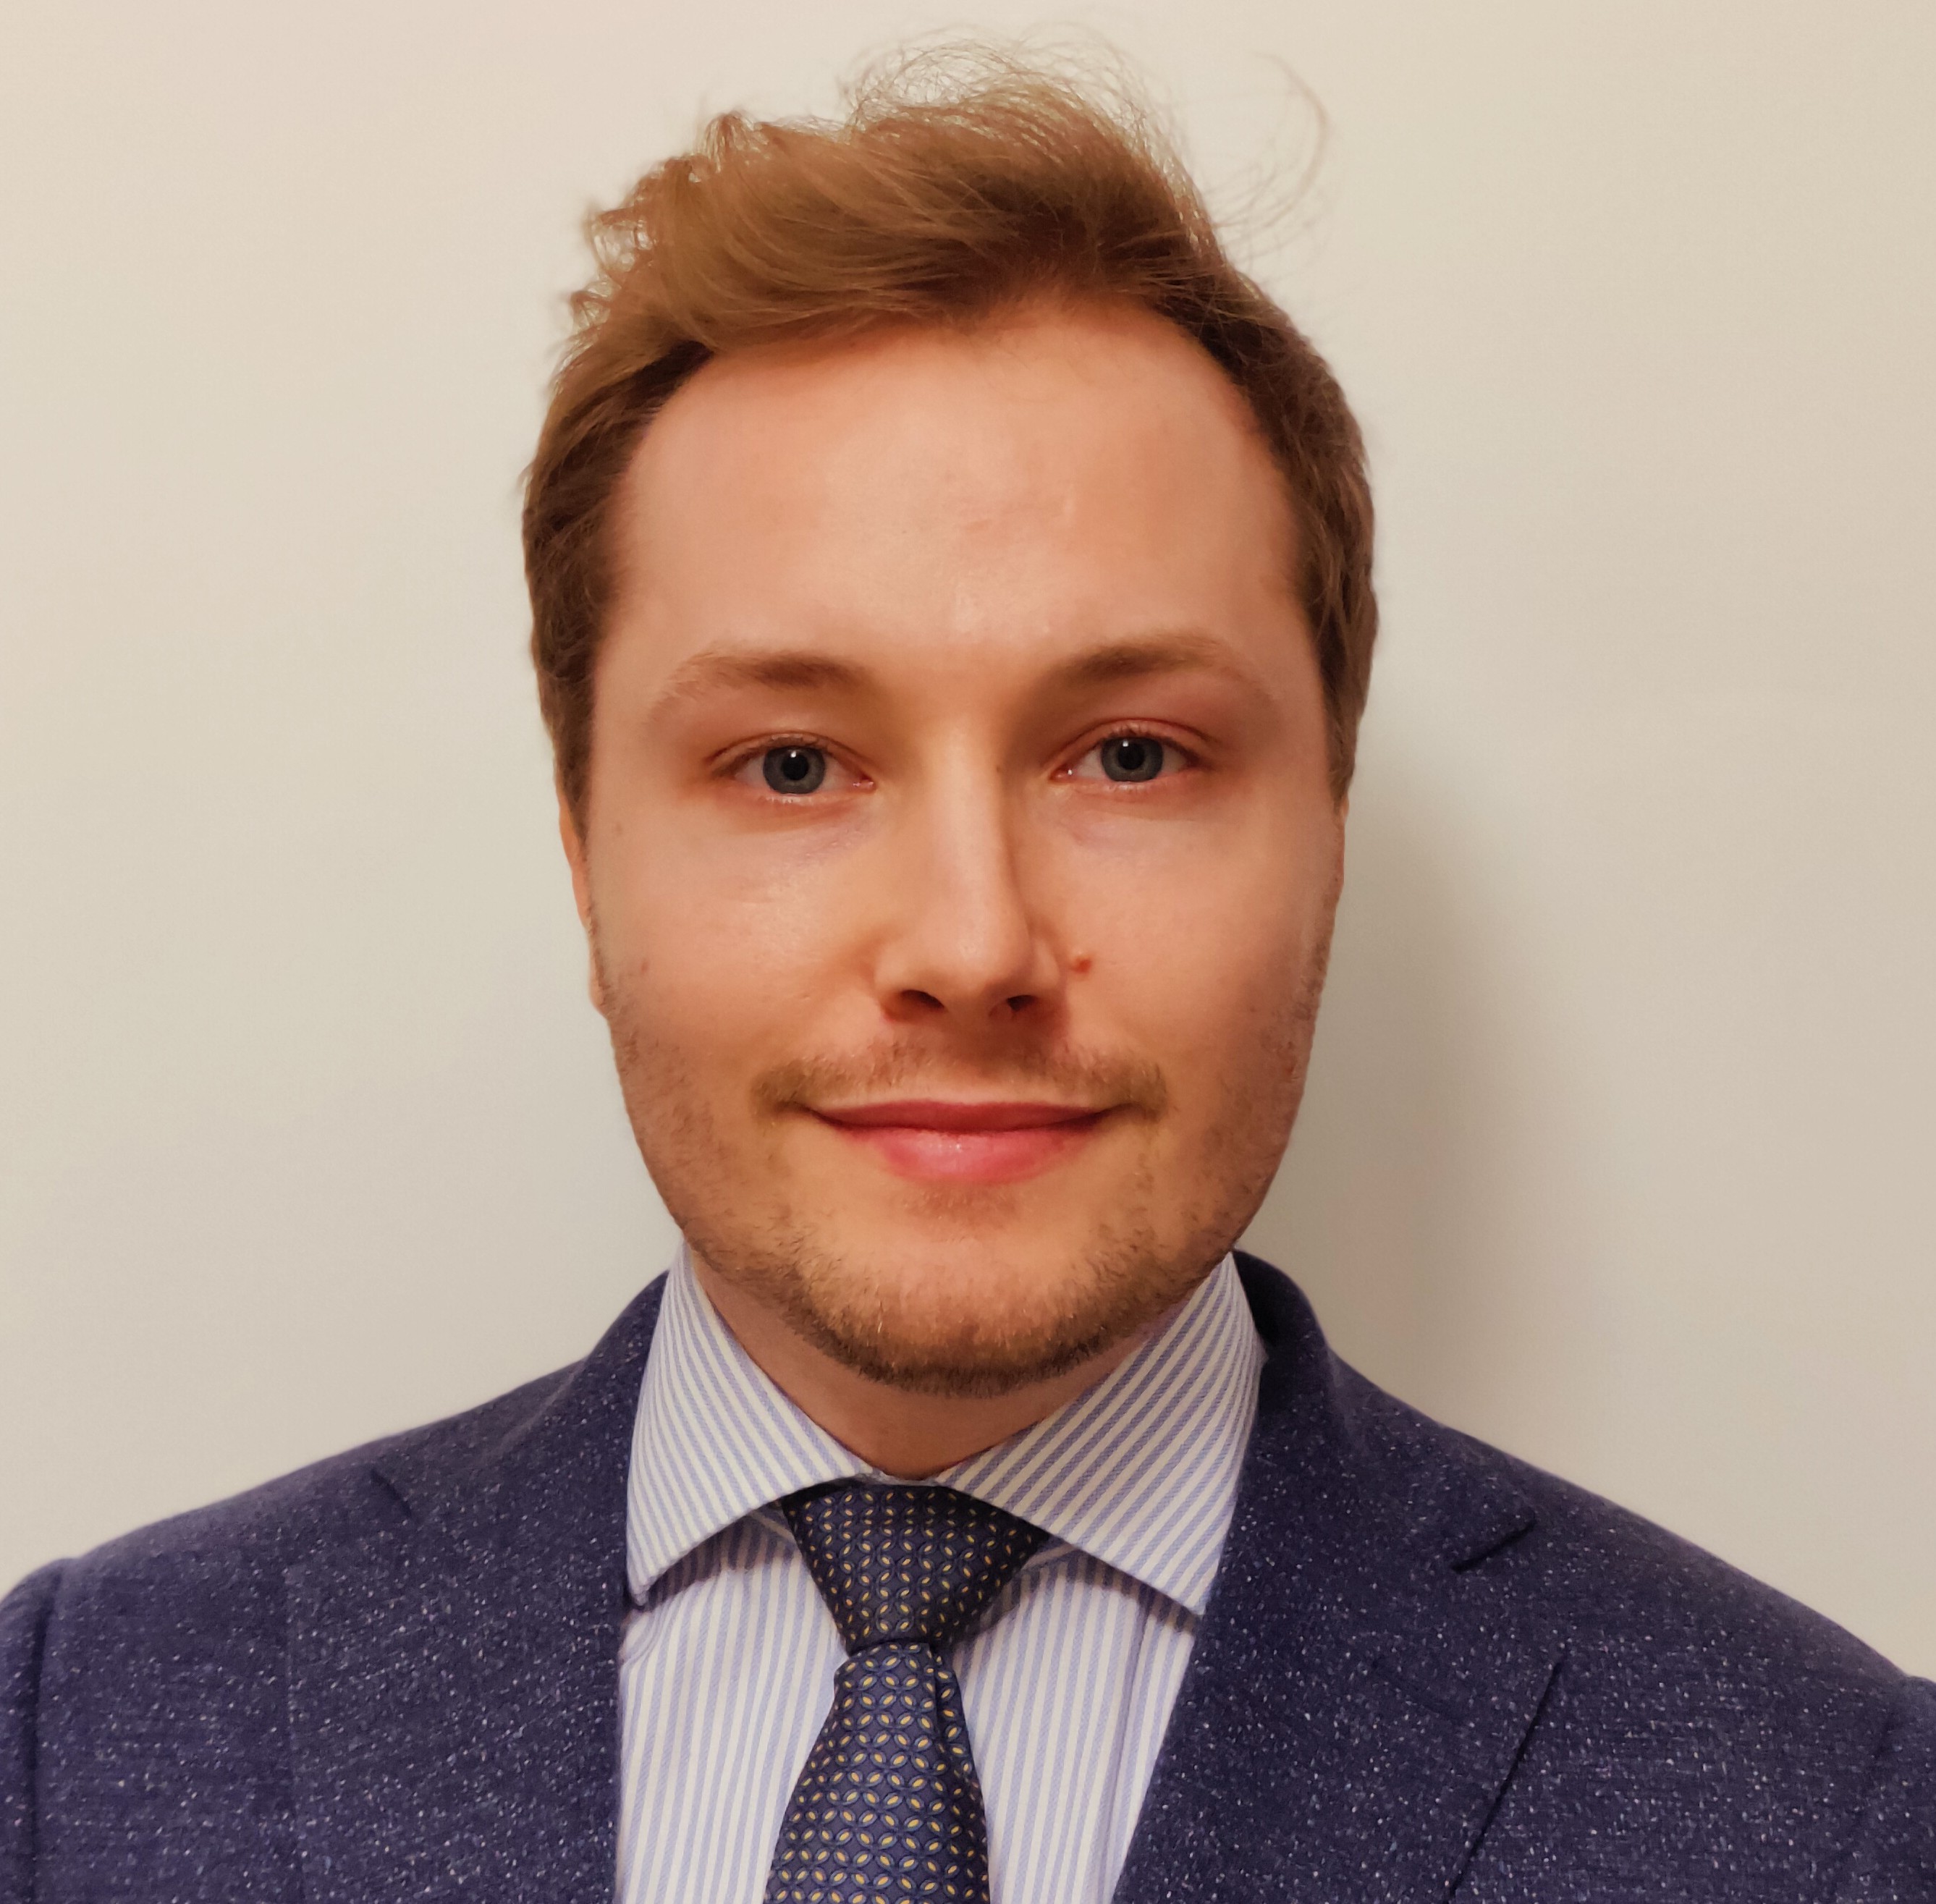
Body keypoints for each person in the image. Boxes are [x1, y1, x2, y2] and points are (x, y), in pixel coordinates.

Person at [2, 51, 1929, 1903]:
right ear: (585, 858)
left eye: (1130, 757)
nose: (971, 947)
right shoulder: (69, 1737)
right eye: (791, 766)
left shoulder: (1832, 1822)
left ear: (1324, 835)